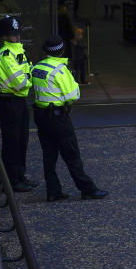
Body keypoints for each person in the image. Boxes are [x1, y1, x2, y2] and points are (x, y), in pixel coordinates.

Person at [31, 37, 107, 202]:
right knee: (72, 155)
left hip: (41, 116)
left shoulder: (37, 67)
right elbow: (72, 96)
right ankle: (87, 189)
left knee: (49, 155)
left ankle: (53, 191)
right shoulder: (60, 70)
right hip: (58, 117)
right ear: (62, 50)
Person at [0, 16, 38, 192]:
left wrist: (27, 77)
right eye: (13, 34)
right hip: (9, 101)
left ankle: (20, 175)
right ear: (4, 36)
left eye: (18, 33)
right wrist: (29, 79)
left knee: (21, 140)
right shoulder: (6, 55)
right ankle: (13, 180)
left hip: (18, 100)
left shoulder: (18, 51)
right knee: (12, 142)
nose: (17, 37)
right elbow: (20, 82)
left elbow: (26, 74)